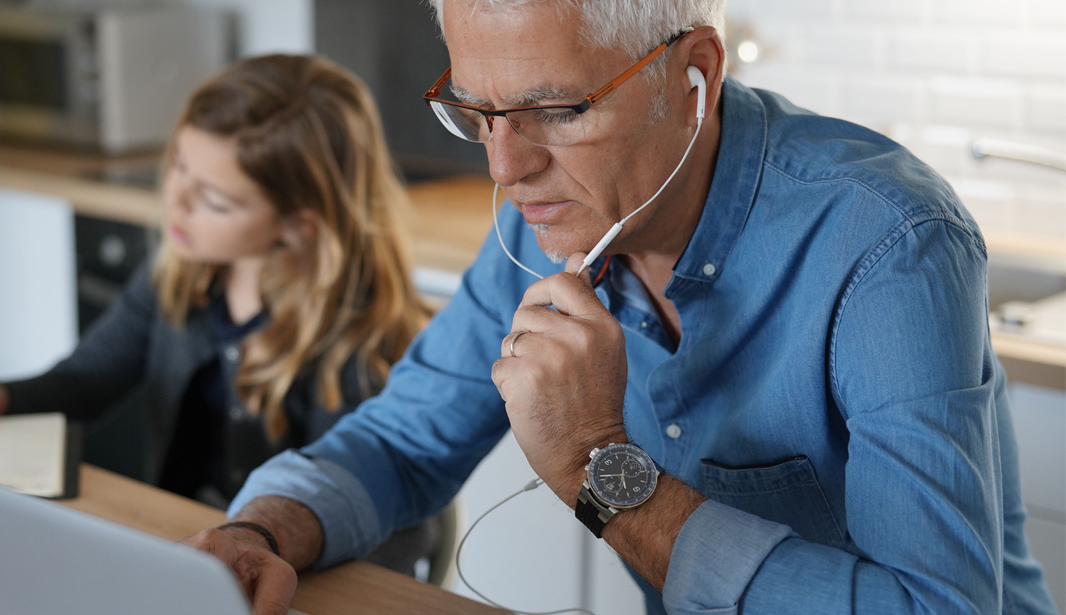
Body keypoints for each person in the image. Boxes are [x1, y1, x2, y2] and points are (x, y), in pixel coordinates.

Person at [187, 3, 1059, 615]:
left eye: (556, 111)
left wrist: (601, 468)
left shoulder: (888, 246)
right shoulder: (545, 220)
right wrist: (262, 527)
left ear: (695, 75)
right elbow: (399, 442)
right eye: (478, 111)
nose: (505, 169)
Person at [0, 54, 440, 577]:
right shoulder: (181, 277)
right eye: (179, 167)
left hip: (294, 577)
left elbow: (373, 516)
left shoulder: (361, 343)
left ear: (298, 225)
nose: (175, 201)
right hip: (189, 557)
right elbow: (84, 381)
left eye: (212, 199)